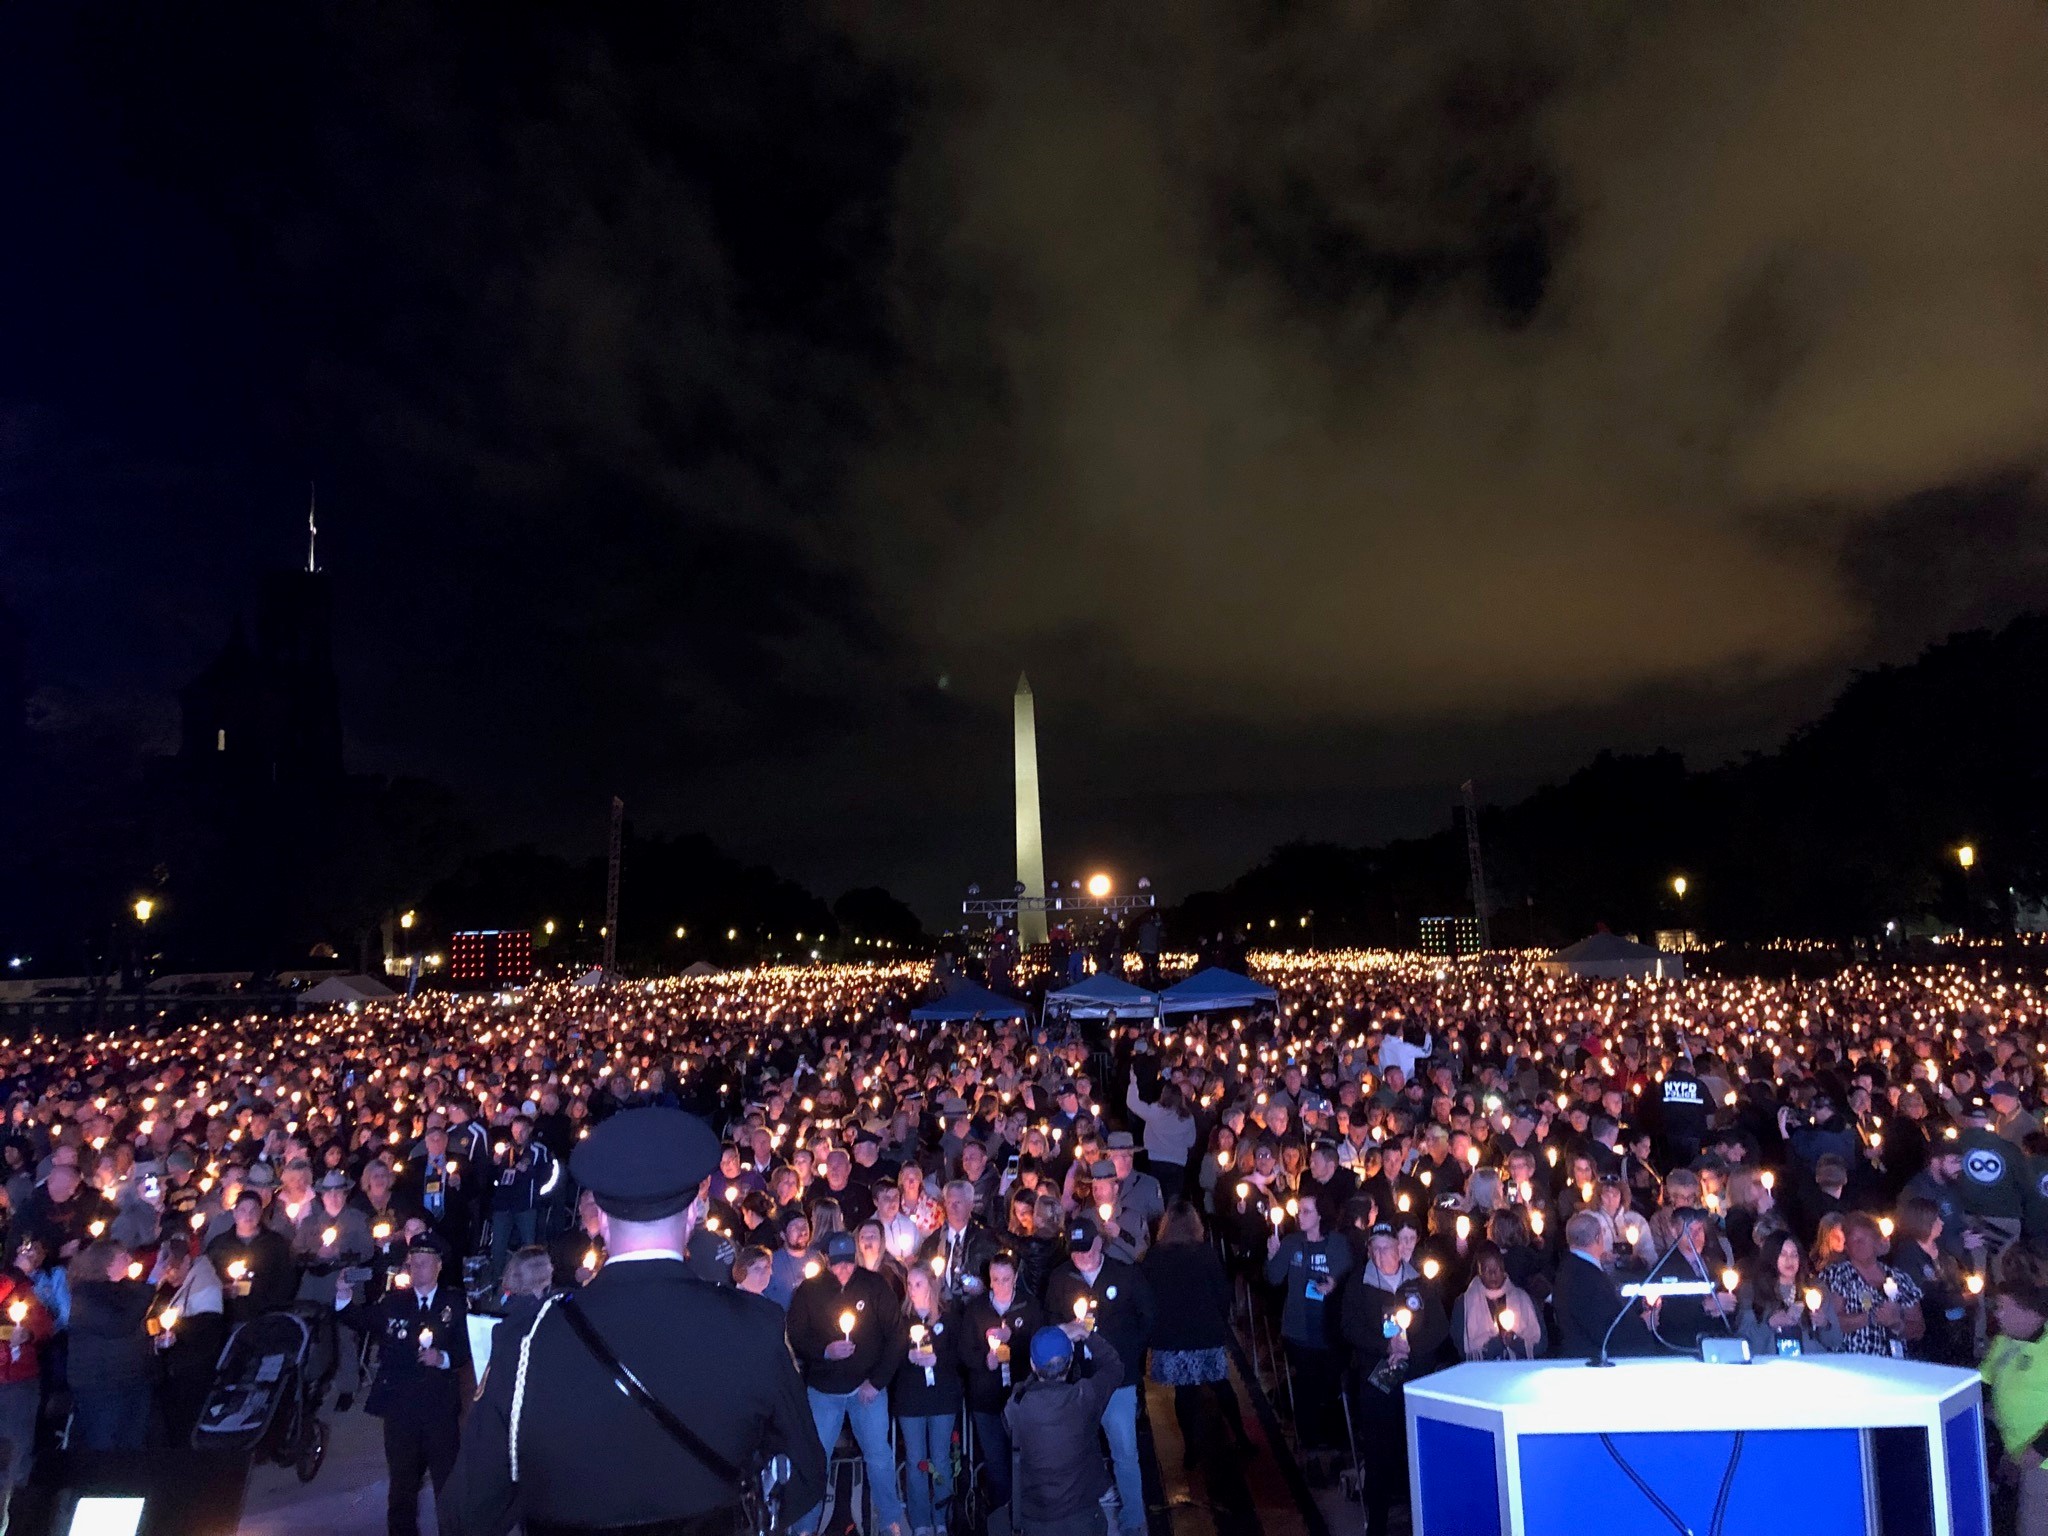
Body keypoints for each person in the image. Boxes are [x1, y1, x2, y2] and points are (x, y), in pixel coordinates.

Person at [445, 1107, 826, 1536]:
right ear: (690, 1218)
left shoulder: (529, 1339)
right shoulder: (754, 1326)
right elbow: (808, 1473)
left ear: (602, 1222)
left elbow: (467, 1511)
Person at [786, 1227, 906, 1536]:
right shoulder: (810, 1290)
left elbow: (896, 1335)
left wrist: (876, 1383)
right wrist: (824, 1351)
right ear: (826, 1260)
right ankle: (804, 1526)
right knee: (816, 1458)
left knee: (879, 1456)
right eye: (838, 1263)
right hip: (824, 1390)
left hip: (866, 1388)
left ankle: (891, 1520)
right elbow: (797, 1334)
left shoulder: (874, 1285)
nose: (844, 1269)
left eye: (849, 1262)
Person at [1043, 1217, 1154, 1536]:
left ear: (1099, 1243)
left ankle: (1134, 1519)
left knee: (1125, 1451)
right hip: (1078, 1381)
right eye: (1074, 1252)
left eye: (1085, 1250)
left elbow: (1149, 1316)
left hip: (1117, 1381)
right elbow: (1050, 1320)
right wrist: (1066, 1333)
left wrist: (1127, 1357)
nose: (1080, 1257)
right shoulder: (1060, 1278)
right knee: (1077, 1451)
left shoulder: (1124, 1274)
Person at [1342, 1223, 1450, 1536]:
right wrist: (1385, 1346)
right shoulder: (1358, 1285)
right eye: (1374, 1248)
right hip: (1378, 1379)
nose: (1380, 1255)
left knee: (1415, 1447)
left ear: (1399, 1250)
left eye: (1386, 1247)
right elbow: (1349, 1327)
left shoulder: (1419, 1283)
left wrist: (1410, 1349)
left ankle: (1421, 1516)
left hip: (1416, 1376)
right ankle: (1378, 1522)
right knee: (1379, 1451)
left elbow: (1439, 1327)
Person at [365, 1233, 470, 1536]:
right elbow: (362, 1319)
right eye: (413, 1264)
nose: (417, 1270)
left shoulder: (454, 1303)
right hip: (401, 1408)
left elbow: (466, 1347)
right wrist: (345, 1296)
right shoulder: (395, 1302)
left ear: (438, 1266)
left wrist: (444, 1358)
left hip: (439, 1407)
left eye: (424, 1264)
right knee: (402, 1483)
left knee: (446, 1482)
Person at [1006, 1320, 1124, 1536]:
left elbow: (1023, 1389)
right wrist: (1086, 1334)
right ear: (1069, 1364)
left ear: (1033, 1365)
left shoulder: (1016, 1407)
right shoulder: (1084, 1396)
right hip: (1082, 1516)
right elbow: (1114, 1367)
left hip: (1035, 1519)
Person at [1263, 1192, 1349, 1482]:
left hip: (1330, 1331)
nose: (1300, 1215)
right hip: (1299, 1331)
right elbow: (1273, 1278)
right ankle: (1310, 1450)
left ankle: (1336, 1447)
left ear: (1321, 1214)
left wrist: (1334, 1282)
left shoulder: (1337, 1244)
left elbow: (1348, 1278)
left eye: (1307, 1211)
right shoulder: (1291, 1243)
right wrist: (1272, 1254)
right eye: (1299, 1211)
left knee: (1332, 1388)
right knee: (1306, 1389)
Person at [961, 1250, 1044, 1521]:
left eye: (1006, 1279)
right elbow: (963, 1351)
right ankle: (1003, 1516)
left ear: (1016, 1277)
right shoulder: (976, 1310)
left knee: (1024, 1458)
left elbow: (1039, 1347)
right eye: (995, 1279)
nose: (1001, 1285)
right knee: (996, 1461)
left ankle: (1027, 1513)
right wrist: (984, 1361)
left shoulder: (1028, 1307)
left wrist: (1014, 1337)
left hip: (1021, 1398)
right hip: (986, 1399)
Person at [66, 1239, 158, 1451]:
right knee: (105, 1442)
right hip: (101, 1383)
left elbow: (135, 1322)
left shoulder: (126, 1289)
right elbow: (120, 1325)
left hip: (132, 1377)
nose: (130, 1259)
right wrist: (152, 1283)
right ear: (107, 1264)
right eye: (123, 1256)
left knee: (132, 1440)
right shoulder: (86, 1295)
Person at [890, 1265, 961, 1536]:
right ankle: (920, 1519)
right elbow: (891, 1357)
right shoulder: (902, 1319)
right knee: (916, 1459)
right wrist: (907, 1358)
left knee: (941, 1459)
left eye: (918, 1284)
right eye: (909, 1284)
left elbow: (960, 1355)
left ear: (931, 1285)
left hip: (942, 1398)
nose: (912, 1289)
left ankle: (941, 1516)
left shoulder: (949, 1319)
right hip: (912, 1400)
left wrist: (938, 1360)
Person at [1981, 1278, 2048, 1536]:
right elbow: (1982, 1384)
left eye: (2003, 1308)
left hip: (2042, 1464)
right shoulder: (2003, 1342)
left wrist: (2037, 1451)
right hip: (2019, 1458)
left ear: (2030, 1313)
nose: (1997, 1314)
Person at [1819, 1211, 1926, 1358]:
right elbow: (1832, 1322)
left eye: (1863, 1238)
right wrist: (1872, 1317)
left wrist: (1897, 1324)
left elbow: (1918, 1327)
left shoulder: (1900, 1278)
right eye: (1853, 1239)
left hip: (1895, 1363)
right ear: (1847, 1246)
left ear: (1877, 1242)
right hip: (1852, 1360)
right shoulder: (1836, 1275)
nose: (1858, 1244)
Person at [1552, 1211, 1653, 1360]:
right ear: (1598, 1238)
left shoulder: (1570, 1267)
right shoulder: (1585, 1277)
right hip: (1594, 1361)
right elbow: (1606, 1330)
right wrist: (1643, 1323)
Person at [1735, 1230, 1840, 1359]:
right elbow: (1744, 1344)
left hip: (1812, 1365)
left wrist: (1824, 1324)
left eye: (1794, 1255)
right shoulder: (1752, 1291)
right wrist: (1769, 1325)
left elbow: (1836, 1341)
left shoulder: (1816, 1289)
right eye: (1783, 1254)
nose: (1789, 1260)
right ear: (1772, 1257)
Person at [0, 1249, 53, 1501]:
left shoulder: (22, 1290)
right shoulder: (12, 1281)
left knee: (18, 1447)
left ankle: (15, 1508)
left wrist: (29, 1335)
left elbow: (43, 1325)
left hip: (19, 1380)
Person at [1455, 1244, 1542, 1361]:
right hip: (1482, 1372)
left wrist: (1514, 1340)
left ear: (1504, 1270)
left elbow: (1541, 1345)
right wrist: (1497, 1342)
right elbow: (1461, 1349)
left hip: (1518, 1369)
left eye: (1497, 1269)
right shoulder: (1465, 1303)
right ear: (1479, 1272)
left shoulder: (1523, 1299)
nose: (1492, 1274)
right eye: (1486, 1270)